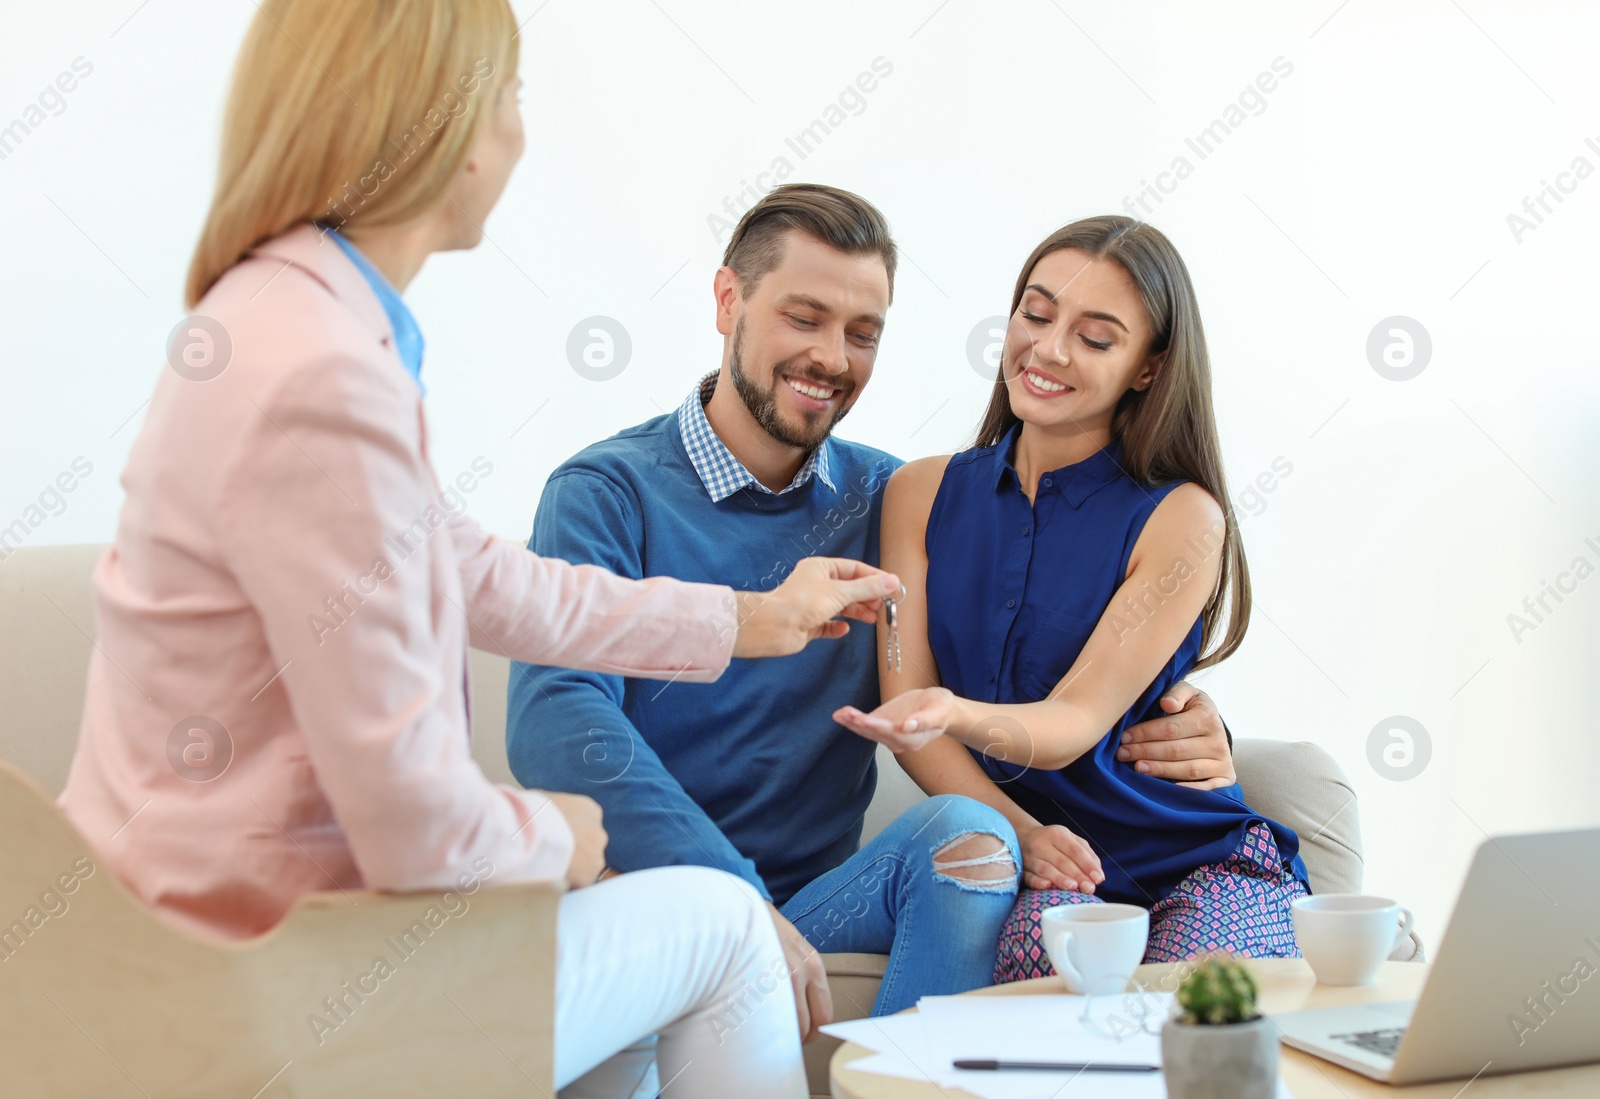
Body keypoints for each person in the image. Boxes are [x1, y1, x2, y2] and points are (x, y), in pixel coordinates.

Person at [56, 4, 896, 1095]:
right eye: (509, 99)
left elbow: (472, 571)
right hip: (261, 981)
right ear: (442, 129)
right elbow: (417, 829)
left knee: (630, 1008)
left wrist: (746, 618)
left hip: (194, 939)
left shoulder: (279, 318)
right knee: (723, 921)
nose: (519, 134)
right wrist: (556, 834)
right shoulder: (324, 378)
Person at [508, 186, 1241, 1025]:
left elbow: (1041, 636)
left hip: (818, 904)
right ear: (727, 301)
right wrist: (733, 900)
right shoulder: (608, 493)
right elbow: (556, 718)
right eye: (803, 316)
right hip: (648, 900)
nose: (831, 356)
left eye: (862, 333)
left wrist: (1187, 716)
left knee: (968, 835)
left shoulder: (892, 499)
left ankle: (912, 1079)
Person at [835, 215, 1311, 981]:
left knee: (1192, 1010)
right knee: (1042, 1018)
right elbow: (909, 717)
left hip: (1194, 857)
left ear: (1148, 368)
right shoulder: (918, 494)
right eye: (1036, 311)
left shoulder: (1183, 517)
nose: (1048, 349)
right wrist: (1025, 833)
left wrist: (952, 710)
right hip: (1057, 870)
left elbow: (1072, 722)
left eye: (1095, 337)